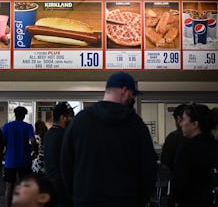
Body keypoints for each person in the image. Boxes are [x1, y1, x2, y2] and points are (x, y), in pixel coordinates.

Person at [61, 71, 159, 207]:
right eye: (132, 95)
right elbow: (149, 168)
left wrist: (76, 195)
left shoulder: (80, 120)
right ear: (125, 91)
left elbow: (66, 164)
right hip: (125, 201)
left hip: (86, 200)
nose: (132, 99)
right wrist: (139, 200)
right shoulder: (136, 125)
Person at [171, 103, 218, 207]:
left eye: (184, 119)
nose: (181, 124)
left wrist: (176, 201)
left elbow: (180, 181)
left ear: (195, 124)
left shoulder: (186, 149)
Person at [2, 106, 37, 207]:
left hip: (10, 161)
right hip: (24, 161)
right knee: (25, 186)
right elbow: (33, 141)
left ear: (15, 114)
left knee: (9, 187)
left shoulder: (7, 126)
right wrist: (35, 151)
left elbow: (2, 143)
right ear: (24, 115)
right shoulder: (28, 126)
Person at [44, 102, 74, 207]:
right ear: (63, 118)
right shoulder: (64, 136)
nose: (72, 119)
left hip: (51, 185)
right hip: (63, 188)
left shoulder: (48, 134)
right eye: (70, 116)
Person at [160, 104, 188, 206]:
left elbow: (165, 164)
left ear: (178, 119)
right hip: (203, 191)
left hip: (178, 187)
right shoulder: (207, 139)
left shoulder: (173, 138)